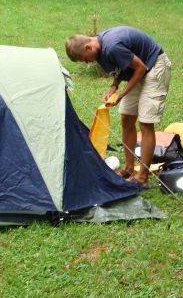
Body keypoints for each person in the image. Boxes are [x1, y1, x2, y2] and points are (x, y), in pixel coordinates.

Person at [66, 26, 172, 185]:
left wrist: (121, 95)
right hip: (139, 69)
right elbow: (122, 66)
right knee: (127, 119)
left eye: (84, 59)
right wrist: (114, 87)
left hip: (154, 66)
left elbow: (141, 67)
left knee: (145, 122)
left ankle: (142, 176)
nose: (87, 62)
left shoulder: (112, 46)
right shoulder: (100, 50)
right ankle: (129, 169)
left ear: (88, 47)